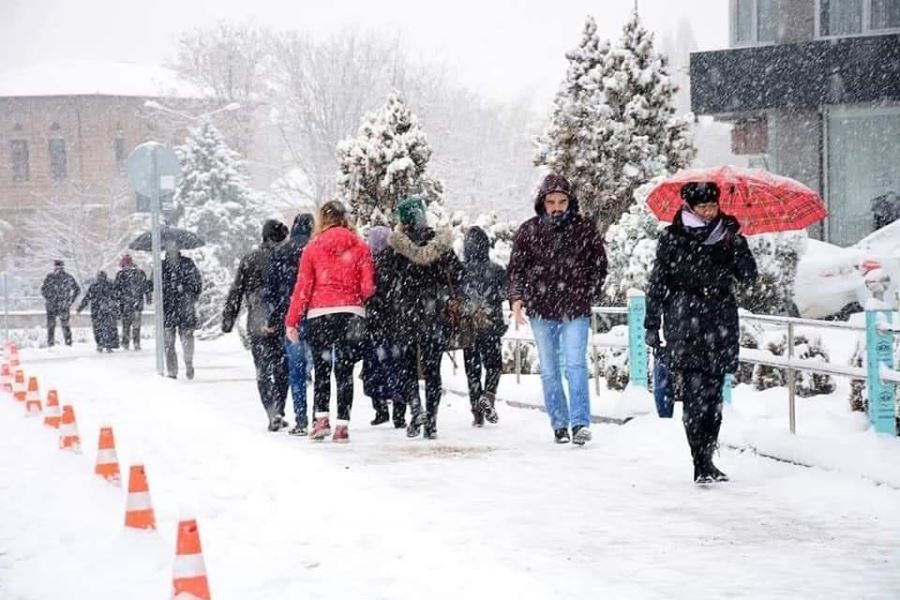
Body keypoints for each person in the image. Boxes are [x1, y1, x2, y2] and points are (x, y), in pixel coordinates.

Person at [645, 181, 757, 484]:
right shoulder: (672, 237)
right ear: (690, 206)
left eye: (712, 206)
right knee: (695, 393)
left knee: (714, 394)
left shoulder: (728, 235)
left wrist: (738, 245)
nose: (709, 212)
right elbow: (658, 282)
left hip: (720, 318)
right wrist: (651, 324)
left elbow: (749, 277)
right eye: (702, 207)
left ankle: (708, 455)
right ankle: (700, 460)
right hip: (685, 319)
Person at [507, 174, 607, 445]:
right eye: (551, 201)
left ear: (570, 202)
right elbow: (516, 269)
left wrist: (588, 290)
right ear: (543, 202)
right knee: (550, 369)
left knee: (575, 364)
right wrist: (517, 298)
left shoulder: (584, 229)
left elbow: (600, 266)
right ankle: (559, 423)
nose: (557, 207)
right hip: (541, 309)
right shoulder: (529, 231)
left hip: (575, 308)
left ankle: (580, 423)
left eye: (562, 201)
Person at [285, 201, 375, 443]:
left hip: (320, 315)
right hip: (351, 314)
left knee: (322, 369)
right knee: (345, 371)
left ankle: (321, 419)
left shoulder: (312, 249)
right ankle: (342, 426)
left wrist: (292, 321)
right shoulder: (360, 247)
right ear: (345, 218)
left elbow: (302, 287)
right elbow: (368, 288)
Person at [380, 196, 463, 439]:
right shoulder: (440, 246)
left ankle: (416, 409)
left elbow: (383, 282)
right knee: (432, 369)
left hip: (404, 315)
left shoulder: (394, 248)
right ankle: (432, 422)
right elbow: (458, 275)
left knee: (407, 368)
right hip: (433, 314)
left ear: (402, 220)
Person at [223, 219, 291, 432]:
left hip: (257, 318)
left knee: (263, 369)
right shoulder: (285, 258)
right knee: (282, 367)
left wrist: (229, 318)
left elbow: (236, 291)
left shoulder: (250, 259)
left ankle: (271, 412)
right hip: (281, 317)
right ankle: (279, 408)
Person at [266, 212, 315, 436]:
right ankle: (318, 415)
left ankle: (301, 418)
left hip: (291, 317)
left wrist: (274, 318)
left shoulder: (281, 252)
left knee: (294, 370)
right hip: (315, 315)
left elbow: (273, 290)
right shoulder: (316, 249)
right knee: (317, 367)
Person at [461, 226, 507, 427]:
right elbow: (504, 294)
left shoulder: (460, 271)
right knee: (494, 365)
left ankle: (477, 413)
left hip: (468, 326)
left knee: (472, 369)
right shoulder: (497, 270)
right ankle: (488, 395)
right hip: (491, 325)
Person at [362, 225, 405, 428]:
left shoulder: (369, 263)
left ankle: (380, 409)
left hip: (374, 323)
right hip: (397, 322)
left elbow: (365, 290)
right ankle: (399, 411)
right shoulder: (398, 261)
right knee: (397, 366)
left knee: (374, 366)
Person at [161, 247, 202, 380]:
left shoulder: (187, 263)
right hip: (168, 308)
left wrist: (184, 288)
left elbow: (197, 284)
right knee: (168, 342)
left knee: (187, 338)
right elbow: (154, 285)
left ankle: (188, 363)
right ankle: (172, 371)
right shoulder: (161, 266)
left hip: (184, 308)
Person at [113, 254, 151, 351]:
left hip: (125, 304)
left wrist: (116, 302)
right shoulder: (140, 273)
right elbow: (146, 287)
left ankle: (126, 343)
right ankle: (136, 342)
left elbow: (116, 290)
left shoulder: (121, 275)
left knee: (126, 325)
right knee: (136, 325)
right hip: (137, 303)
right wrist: (148, 298)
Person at [76, 271, 119, 352]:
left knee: (97, 329)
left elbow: (87, 298)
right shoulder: (110, 286)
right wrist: (117, 310)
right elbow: (115, 299)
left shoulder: (94, 286)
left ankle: (100, 344)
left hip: (96, 311)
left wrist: (80, 308)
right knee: (108, 328)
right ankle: (108, 344)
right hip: (108, 310)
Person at [40, 260, 80, 347]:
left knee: (52, 325)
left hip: (54, 305)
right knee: (64, 325)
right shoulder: (67, 277)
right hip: (63, 304)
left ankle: (51, 343)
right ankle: (68, 342)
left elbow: (43, 290)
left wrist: (49, 298)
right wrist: (70, 300)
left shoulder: (50, 277)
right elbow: (77, 290)